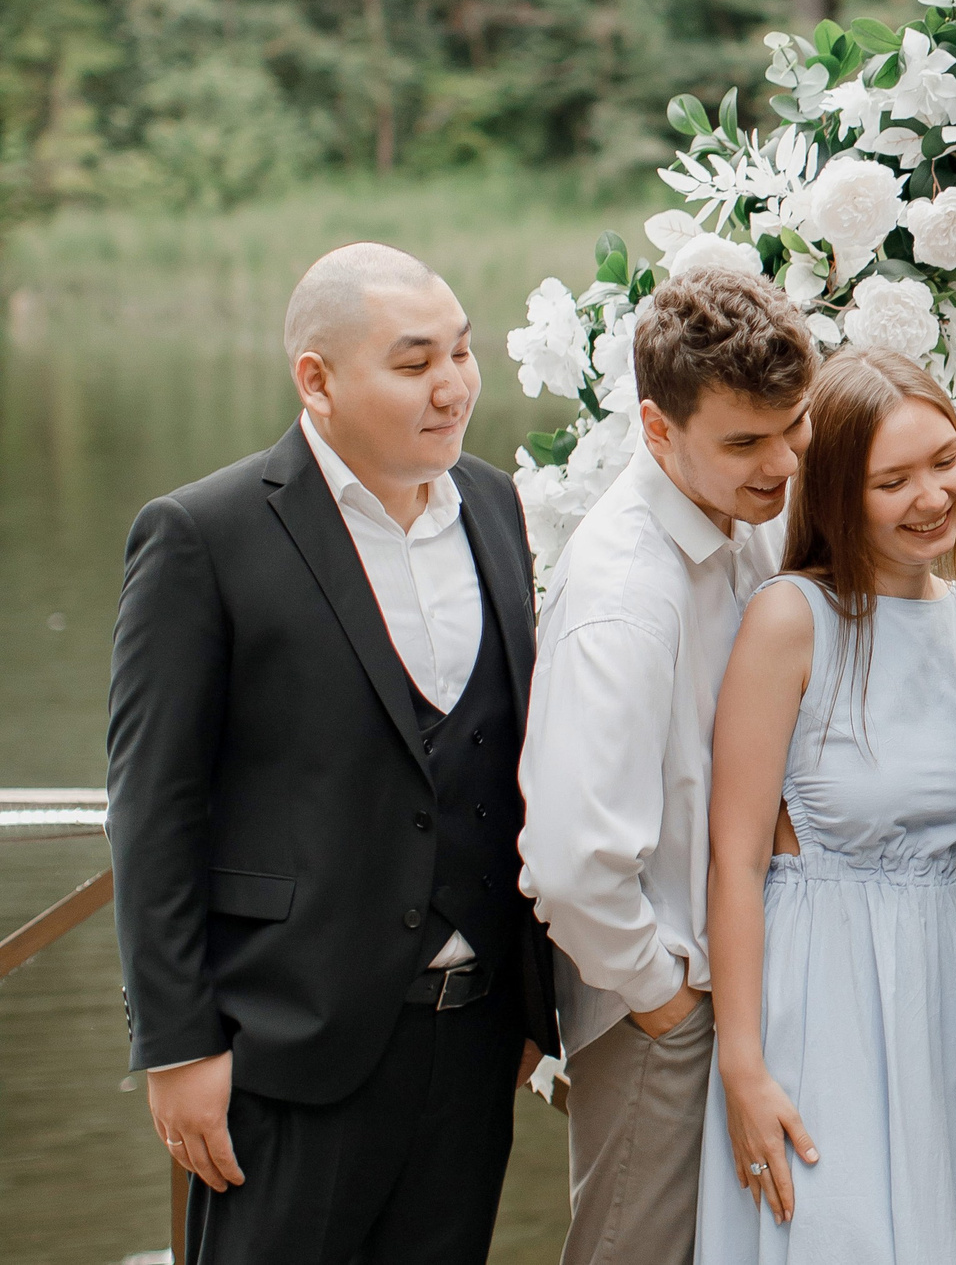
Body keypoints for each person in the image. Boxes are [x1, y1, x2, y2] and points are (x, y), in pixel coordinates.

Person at [107, 242, 554, 1265]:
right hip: (288, 1041)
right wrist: (177, 1047)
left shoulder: (493, 504)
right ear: (317, 378)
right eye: (413, 364)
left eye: (462, 352)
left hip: (476, 1033)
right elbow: (152, 806)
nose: (453, 388)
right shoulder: (201, 534)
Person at [519, 268, 815, 1265]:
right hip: (661, 1006)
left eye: (793, 427)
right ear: (656, 430)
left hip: (739, 989)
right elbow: (568, 863)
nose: (779, 463)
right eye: (744, 442)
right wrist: (668, 999)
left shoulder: (747, 518)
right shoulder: (622, 596)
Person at [697, 348, 956, 1259]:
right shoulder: (791, 617)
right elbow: (738, 860)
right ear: (837, 489)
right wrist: (743, 1060)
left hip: (947, 1000)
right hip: (818, 990)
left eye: (944, 460)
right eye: (892, 479)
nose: (931, 496)